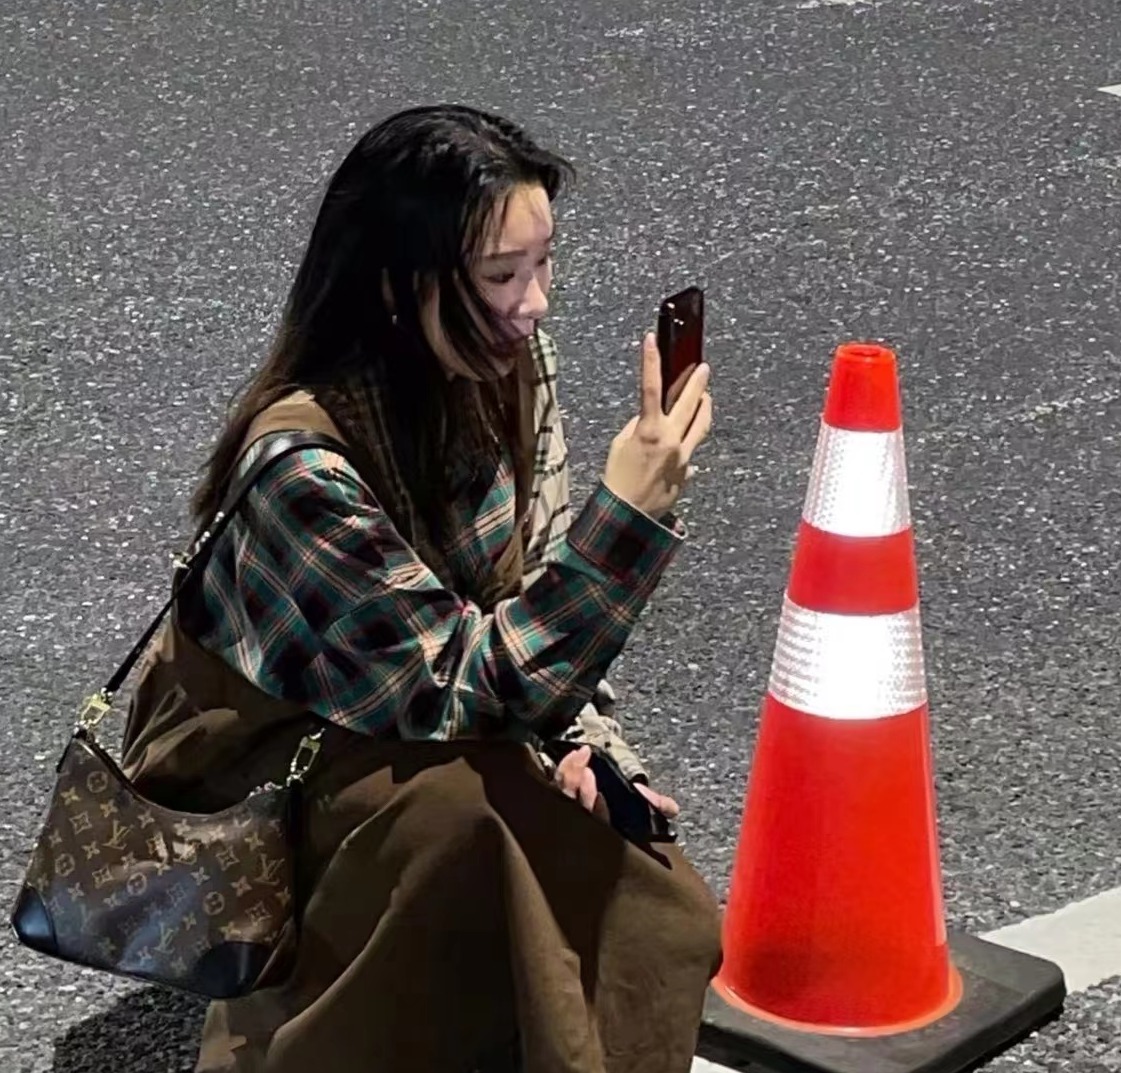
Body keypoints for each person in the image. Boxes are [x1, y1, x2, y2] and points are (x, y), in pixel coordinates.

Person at [120, 103, 720, 1073]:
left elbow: (531, 585)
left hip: (424, 712)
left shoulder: (509, 368)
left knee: (658, 903)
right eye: (500, 275)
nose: (533, 303)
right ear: (400, 285)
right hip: (267, 770)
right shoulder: (299, 467)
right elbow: (463, 686)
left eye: (544, 263)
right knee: (463, 824)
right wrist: (627, 520)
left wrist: (584, 743)